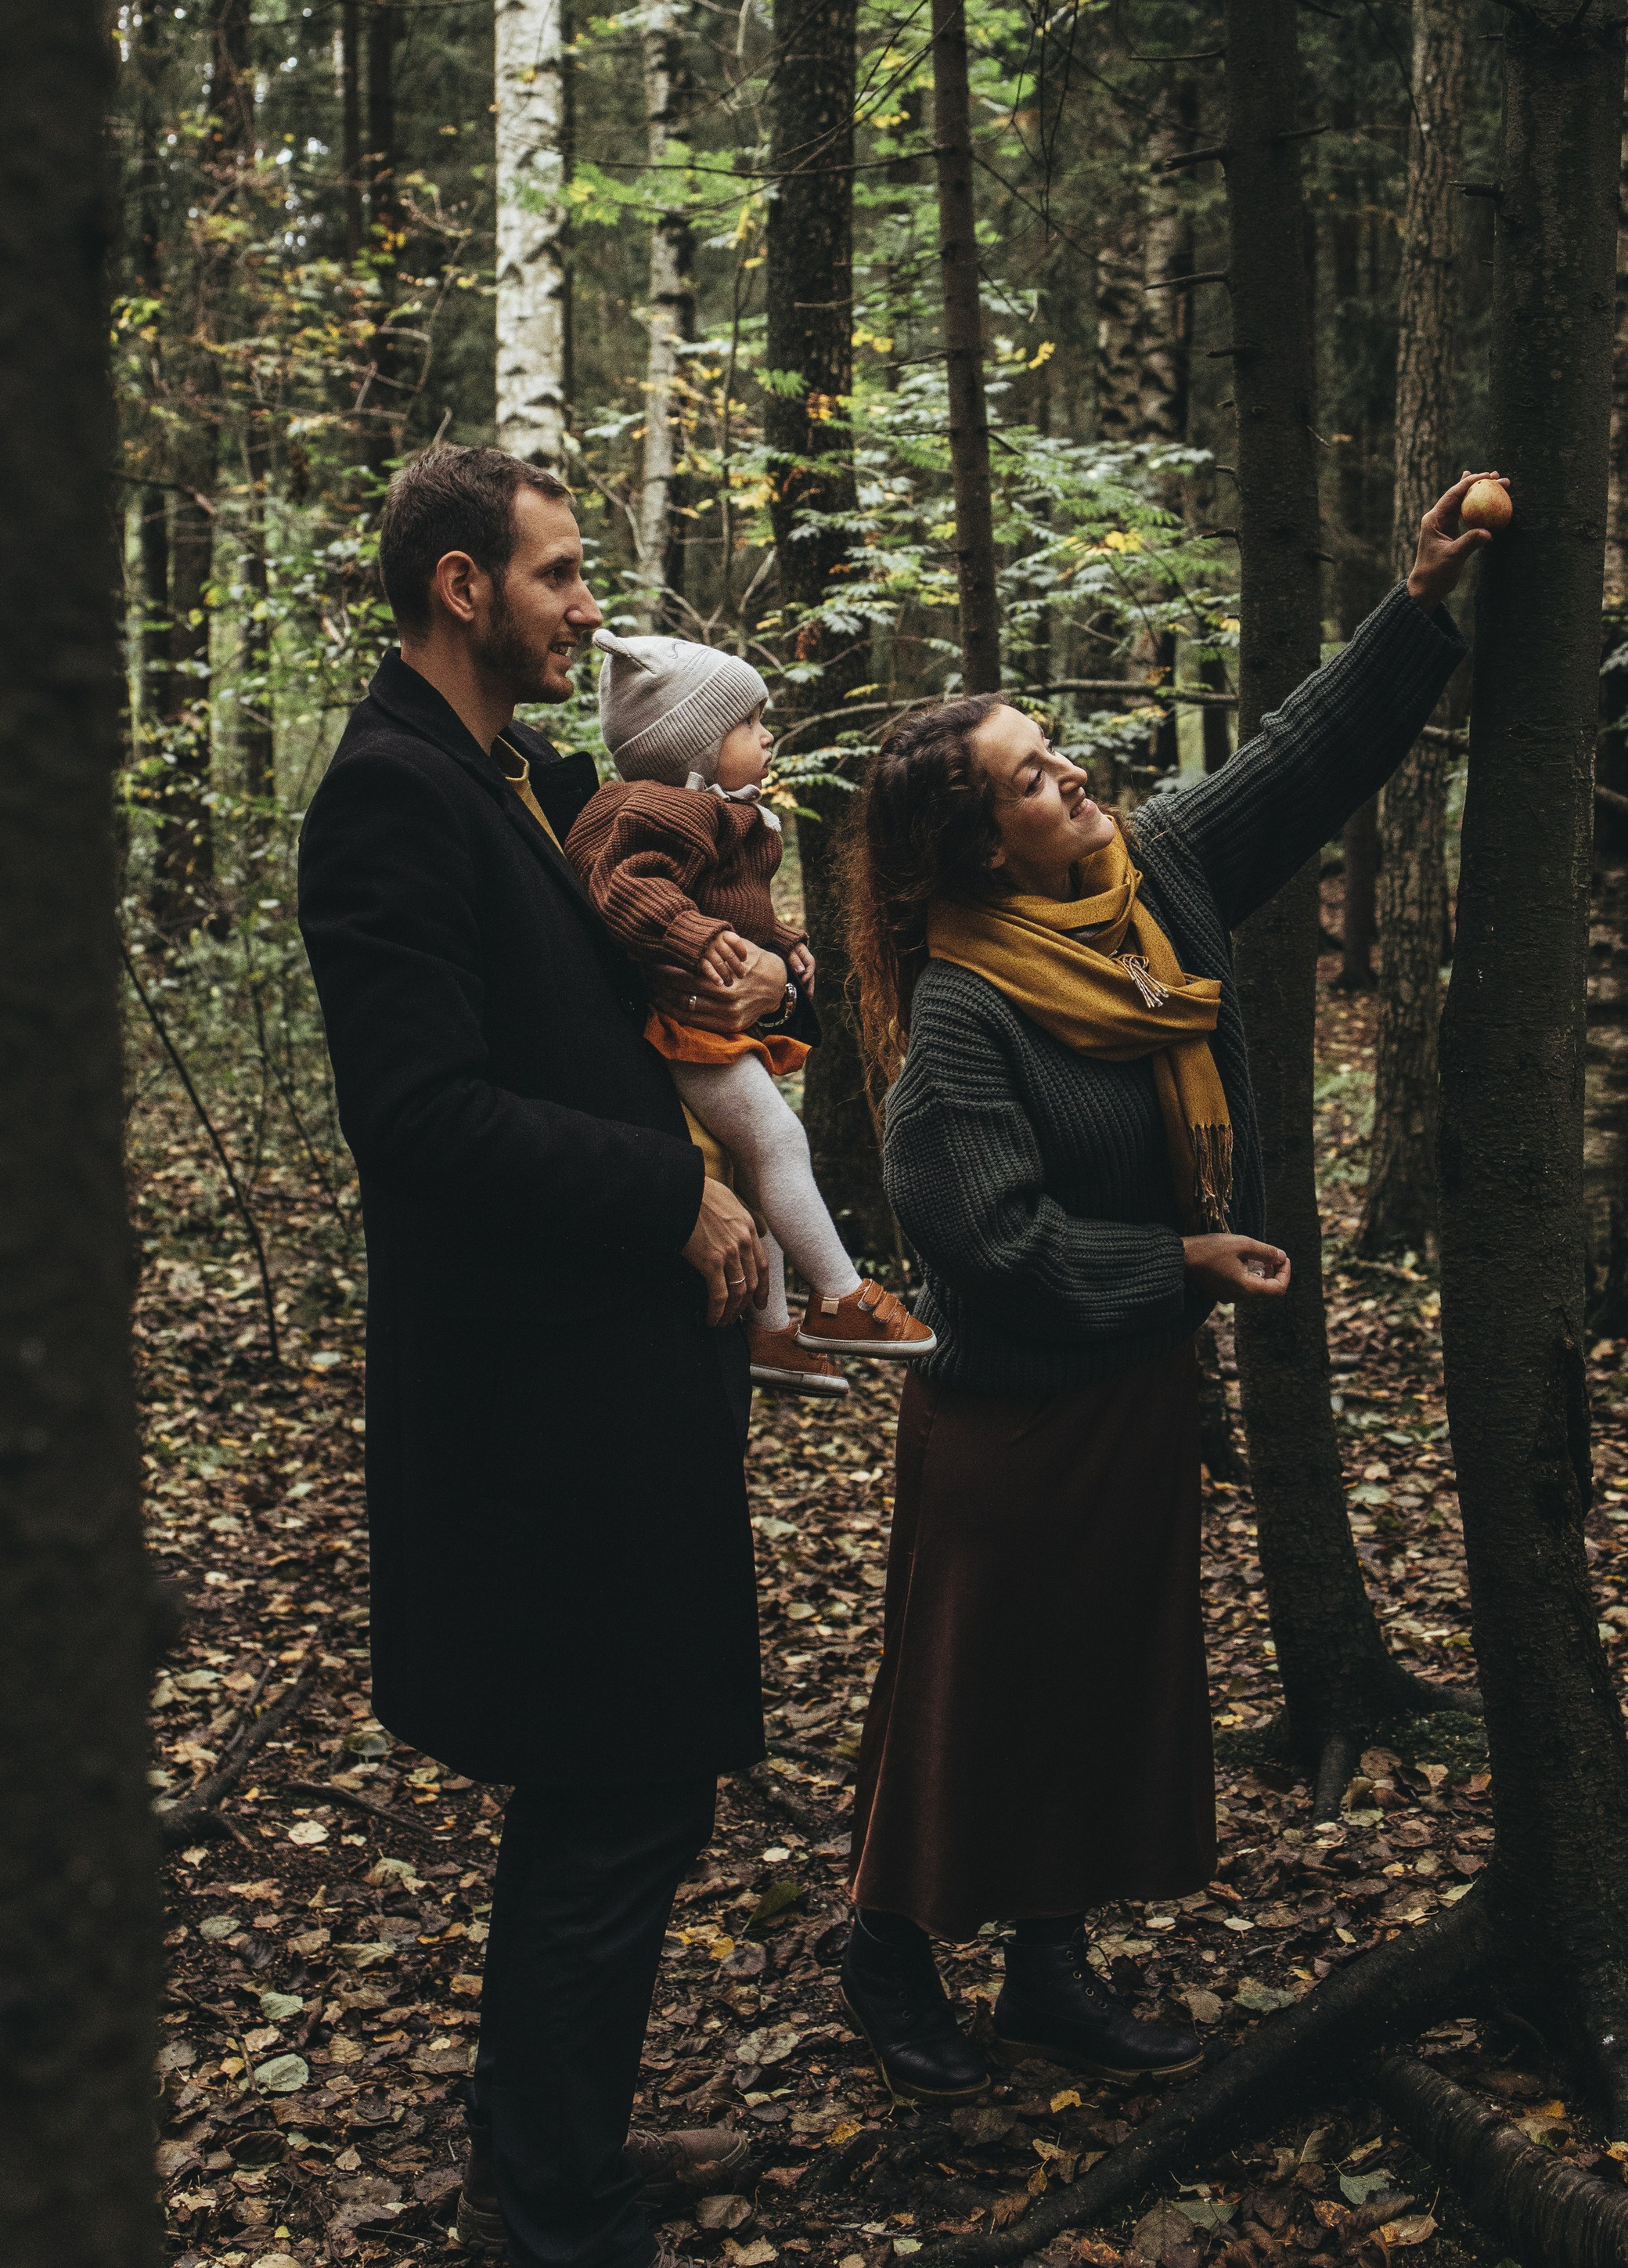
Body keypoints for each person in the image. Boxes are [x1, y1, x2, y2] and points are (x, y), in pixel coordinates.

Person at [835, 479, 1492, 2101]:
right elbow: (987, 1244)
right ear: (976, 844)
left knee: (1092, 1687)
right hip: (1005, 1420)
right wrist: (1178, 1262)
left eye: (1055, 751)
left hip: (1127, 1394)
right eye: (1029, 779)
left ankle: (1049, 1971)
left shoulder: (1152, 881)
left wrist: (1418, 602)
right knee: (968, 1698)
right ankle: (885, 1951)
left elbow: (1299, 759)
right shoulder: (959, 1019)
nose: (1071, 776)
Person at [297, 445, 783, 2268]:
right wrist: (666, 1188)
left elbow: (651, 939)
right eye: (563, 575)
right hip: (531, 1405)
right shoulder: (389, 798)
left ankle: (546, 2128)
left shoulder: (525, 775)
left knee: (619, 1786)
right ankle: (560, 2200)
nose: (590, 607)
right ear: (458, 585)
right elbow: (416, 1115)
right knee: (616, 1782)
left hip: (615, 1381)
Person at [567, 629, 936, 1396]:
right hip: (681, 1026)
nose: (767, 736)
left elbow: (735, 907)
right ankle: (838, 1295)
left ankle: (770, 1328)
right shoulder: (655, 810)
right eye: (748, 722)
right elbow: (622, 889)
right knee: (777, 1141)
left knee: (760, 1160)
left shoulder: (722, 814)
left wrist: (784, 942)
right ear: (694, 746)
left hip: (710, 1022)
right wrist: (694, 935)